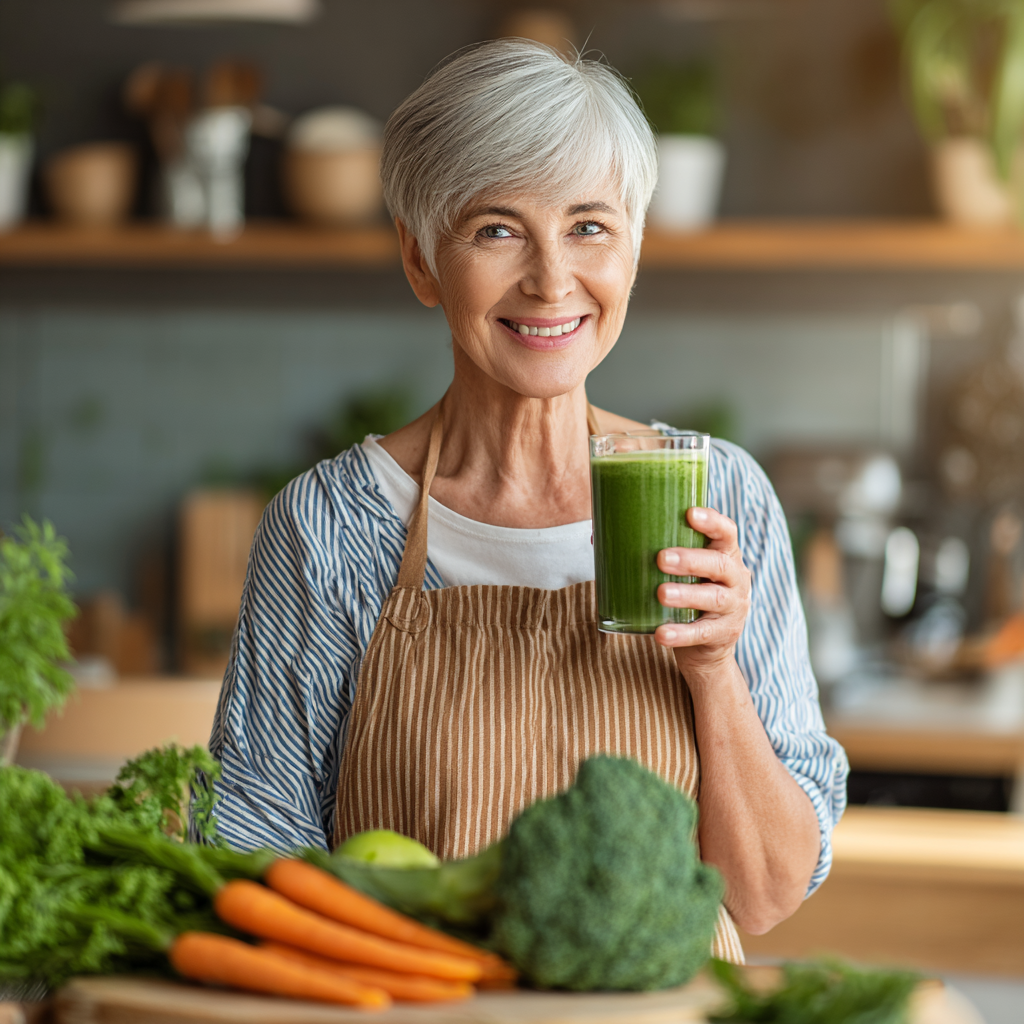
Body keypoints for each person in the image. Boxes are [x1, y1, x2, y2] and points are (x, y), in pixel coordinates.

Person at [207, 39, 848, 960]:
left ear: (632, 249)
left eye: (590, 226)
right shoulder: (331, 526)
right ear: (422, 260)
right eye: (496, 229)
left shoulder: (720, 496)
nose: (552, 279)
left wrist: (714, 671)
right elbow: (254, 862)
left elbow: (765, 897)